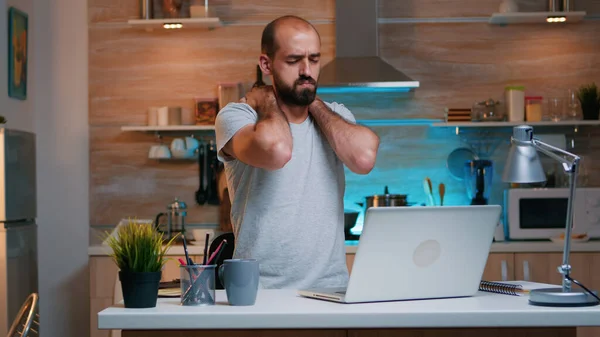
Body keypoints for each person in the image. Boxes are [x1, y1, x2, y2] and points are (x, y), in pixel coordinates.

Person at [214, 15, 380, 289]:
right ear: (266, 64)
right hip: (260, 293)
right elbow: (277, 151)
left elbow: (364, 159)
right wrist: (268, 98)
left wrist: (312, 104)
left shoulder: (334, 115)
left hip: (331, 292)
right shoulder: (238, 115)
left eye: (314, 60)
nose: (307, 70)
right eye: (294, 60)